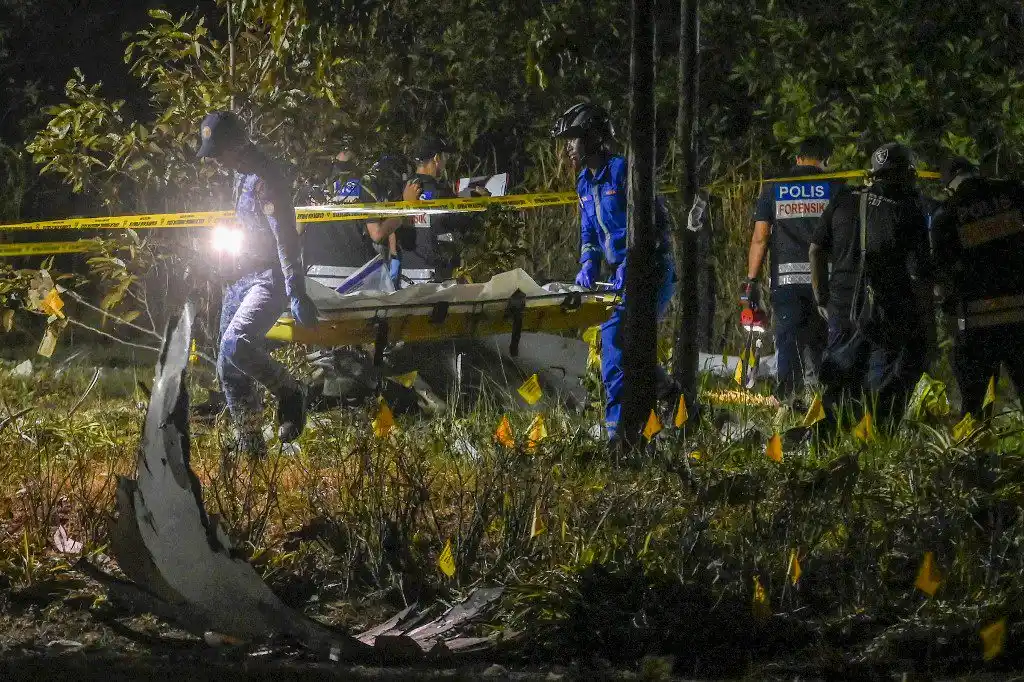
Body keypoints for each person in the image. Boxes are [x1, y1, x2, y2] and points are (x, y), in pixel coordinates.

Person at [550, 102, 676, 443]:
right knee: (625, 347)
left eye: (573, 139)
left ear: (593, 138)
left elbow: (659, 223)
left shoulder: (623, 172)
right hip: (620, 276)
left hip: (652, 270)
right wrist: (588, 263)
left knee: (619, 343)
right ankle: (669, 402)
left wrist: (633, 260)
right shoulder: (584, 182)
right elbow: (589, 232)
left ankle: (620, 435)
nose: (568, 148)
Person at [197, 111, 318, 457]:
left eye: (219, 153)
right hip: (242, 276)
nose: (216, 161)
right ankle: (251, 447)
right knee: (227, 366)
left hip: (270, 277)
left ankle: (291, 391)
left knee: (236, 344)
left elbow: (286, 238)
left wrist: (295, 290)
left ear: (236, 145)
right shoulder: (239, 173)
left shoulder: (266, 178)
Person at [809, 142, 932, 432]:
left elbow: (815, 250)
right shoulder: (908, 210)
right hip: (885, 314)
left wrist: (821, 297)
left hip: (841, 310)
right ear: (904, 174)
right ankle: (874, 443)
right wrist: (926, 324)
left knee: (838, 386)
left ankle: (826, 443)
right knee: (882, 390)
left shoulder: (843, 200)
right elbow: (921, 273)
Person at [744, 136, 836, 406]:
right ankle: (824, 403)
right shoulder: (835, 187)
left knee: (788, 343)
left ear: (798, 158)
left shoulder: (775, 187)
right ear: (827, 161)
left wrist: (751, 280)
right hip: (826, 282)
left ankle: (786, 402)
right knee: (825, 344)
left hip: (787, 283)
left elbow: (760, 237)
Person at [931, 156, 1024, 416]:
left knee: (976, 404)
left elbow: (942, 275)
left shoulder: (947, 214)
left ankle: (976, 441)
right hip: (1020, 315)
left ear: (949, 185)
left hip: (977, 321)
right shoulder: (1013, 193)